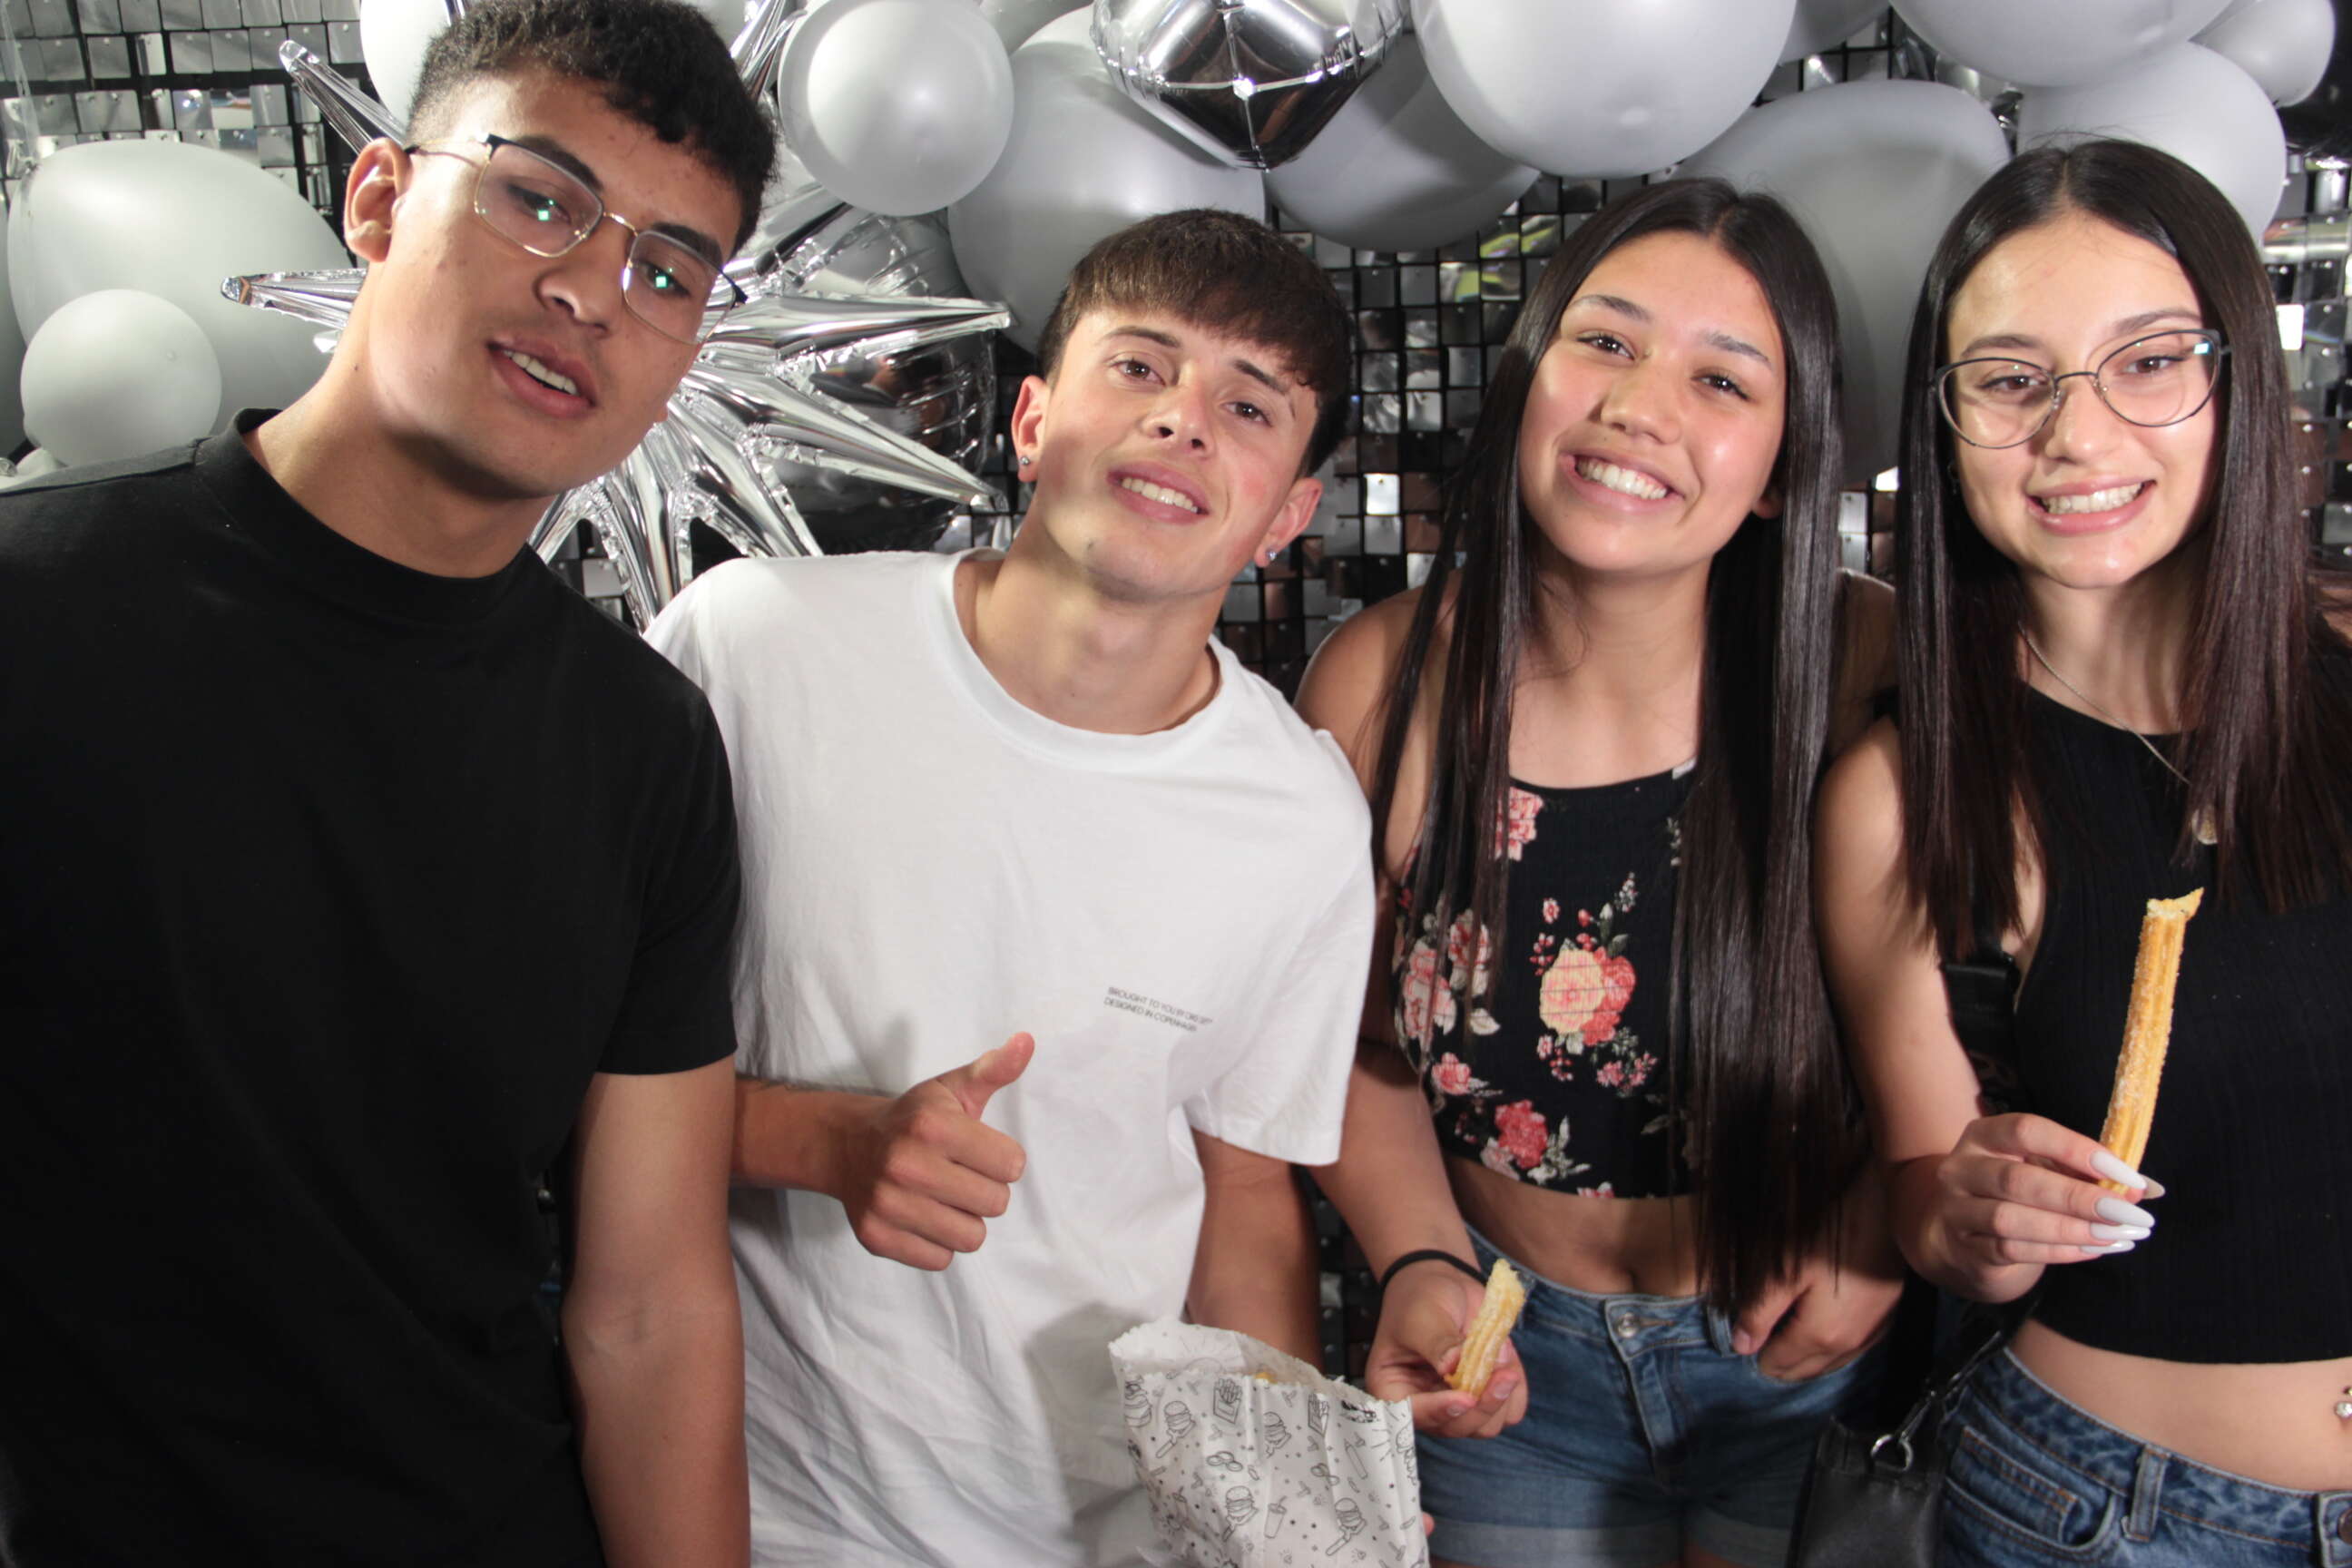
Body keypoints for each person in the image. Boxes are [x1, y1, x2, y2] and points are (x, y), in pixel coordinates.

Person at [0, 2, 775, 1563]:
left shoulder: (644, 748)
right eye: (540, 198)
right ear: (377, 199)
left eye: (666, 271)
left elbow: (647, 1307)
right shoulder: (40, 611)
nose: (589, 291)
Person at [643, 209, 1375, 1567]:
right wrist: (823, 1143)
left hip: (1100, 1526)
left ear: (1287, 516)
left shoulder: (1303, 819)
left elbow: (1245, 1188)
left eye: (1248, 406)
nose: (1183, 421)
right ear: (1033, 422)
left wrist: (1278, 1520)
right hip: (760, 1507)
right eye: (1140, 367)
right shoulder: (752, 647)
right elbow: (555, 1056)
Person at [1298, 178, 1903, 1568]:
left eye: (1721, 380)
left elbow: (2012, 1006)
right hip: (1514, 1368)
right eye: (1607, 343)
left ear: (1782, 465)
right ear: (1530, 378)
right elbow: (1347, 1040)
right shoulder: (1384, 683)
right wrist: (1420, 1261)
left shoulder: (1869, 669)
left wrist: (1884, 1233)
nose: (1640, 407)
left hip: (1812, 1355)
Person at [1816, 140, 2352, 1567]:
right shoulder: (1903, 794)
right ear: (1943, 423)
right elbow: (1926, 1188)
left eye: (2150, 362)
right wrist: (1968, 1215)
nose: (2078, 433)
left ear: (2237, 382)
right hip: (2106, 1511)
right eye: (2012, 380)